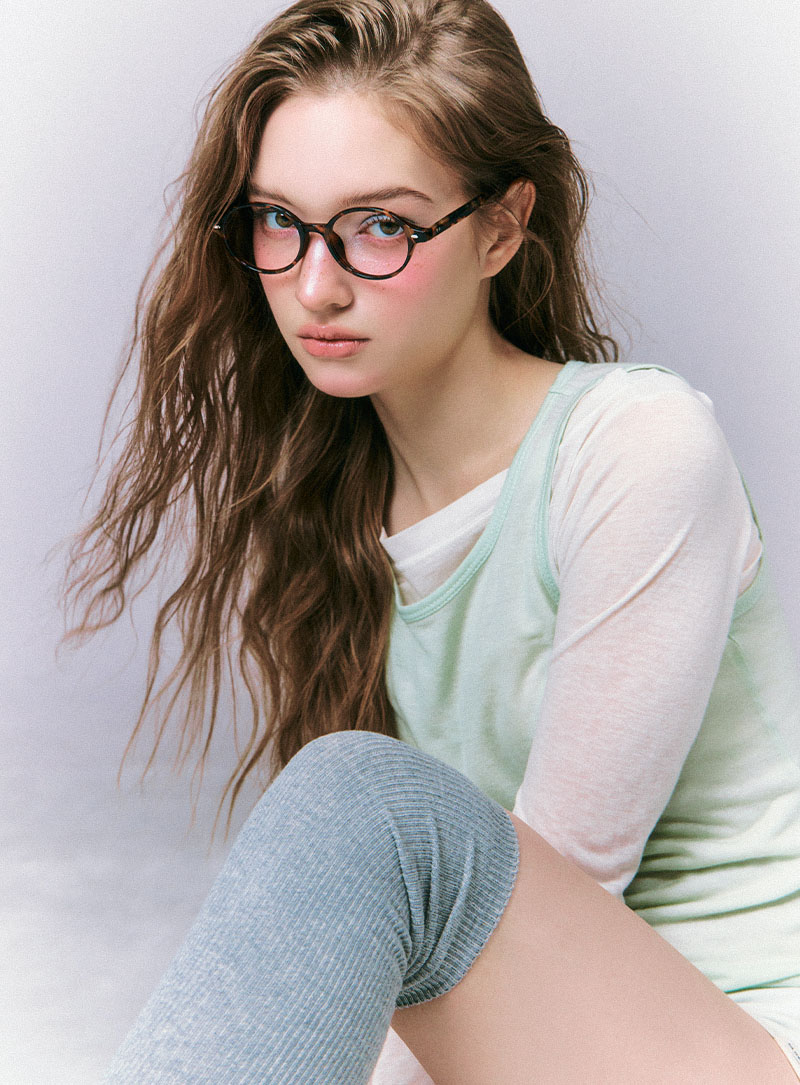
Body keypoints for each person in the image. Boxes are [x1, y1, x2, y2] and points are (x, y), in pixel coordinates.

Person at [64, 0, 800, 1080]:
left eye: (380, 226)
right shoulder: (345, 508)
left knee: (358, 800)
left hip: (736, 1043)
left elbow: (555, 887)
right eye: (278, 220)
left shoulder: (636, 446)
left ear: (501, 228)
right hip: (537, 1041)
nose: (315, 285)